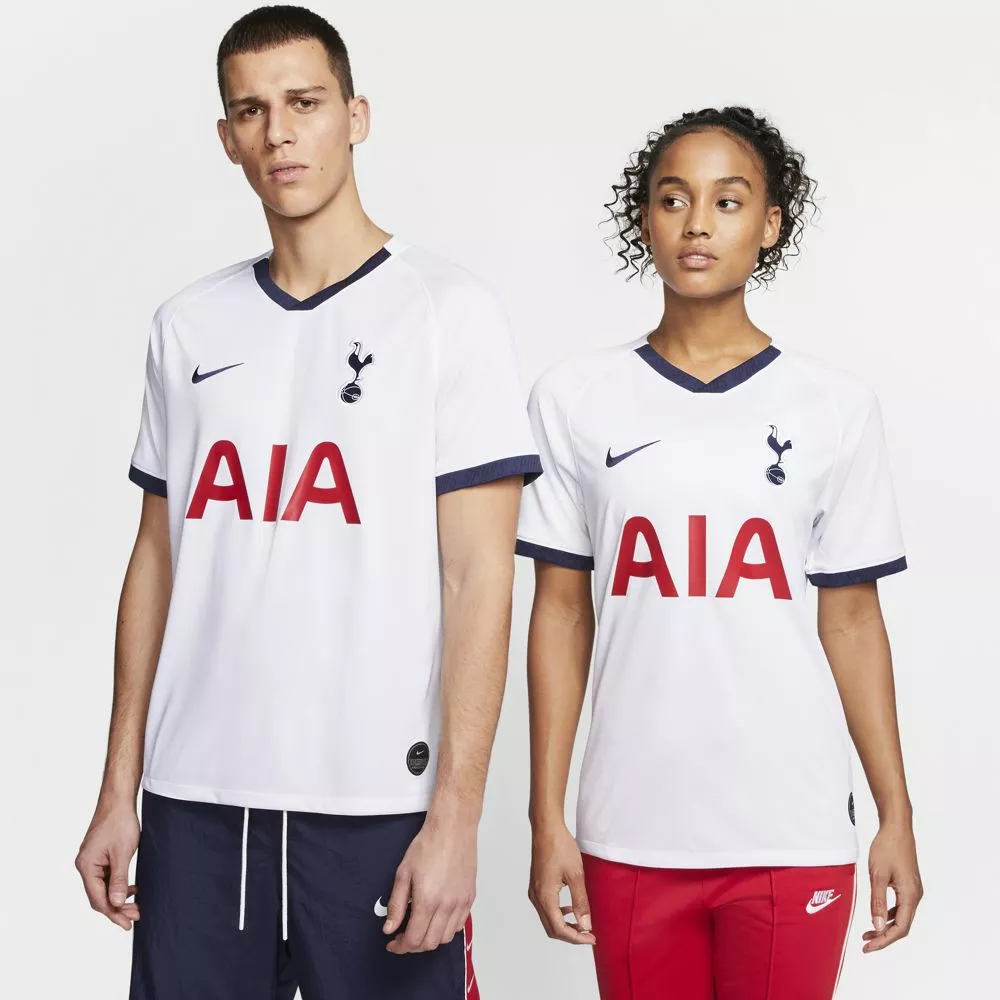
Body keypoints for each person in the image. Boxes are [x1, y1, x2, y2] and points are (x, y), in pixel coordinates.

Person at [74, 7, 541, 999]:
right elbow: (156, 559)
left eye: (304, 103)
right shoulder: (187, 326)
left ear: (355, 116)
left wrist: (458, 815)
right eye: (252, 111)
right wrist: (118, 789)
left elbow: (479, 577)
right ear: (227, 138)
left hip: (378, 806)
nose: (279, 132)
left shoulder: (448, 313)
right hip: (196, 805)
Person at [516, 106, 923, 1000]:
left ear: (769, 224)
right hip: (629, 827)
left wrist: (895, 814)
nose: (697, 223)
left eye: (727, 201)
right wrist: (546, 816)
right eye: (674, 199)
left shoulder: (835, 406)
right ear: (645, 219)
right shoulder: (574, 398)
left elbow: (853, 622)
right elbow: (560, 613)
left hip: (791, 829)